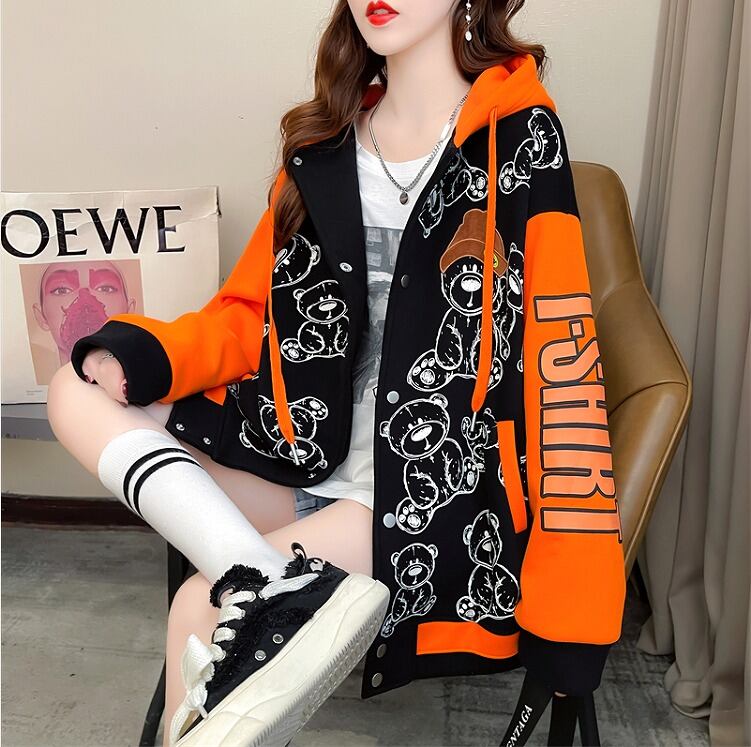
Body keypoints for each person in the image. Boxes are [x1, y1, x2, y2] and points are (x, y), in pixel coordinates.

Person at [47, 1, 627, 745]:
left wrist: (574, 612)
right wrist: (143, 359)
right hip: (301, 452)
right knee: (75, 385)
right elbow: (248, 316)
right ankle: (262, 580)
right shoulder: (323, 144)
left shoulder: (520, 140)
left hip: (426, 494)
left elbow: (562, 375)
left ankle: (257, 591)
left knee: (199, 609)